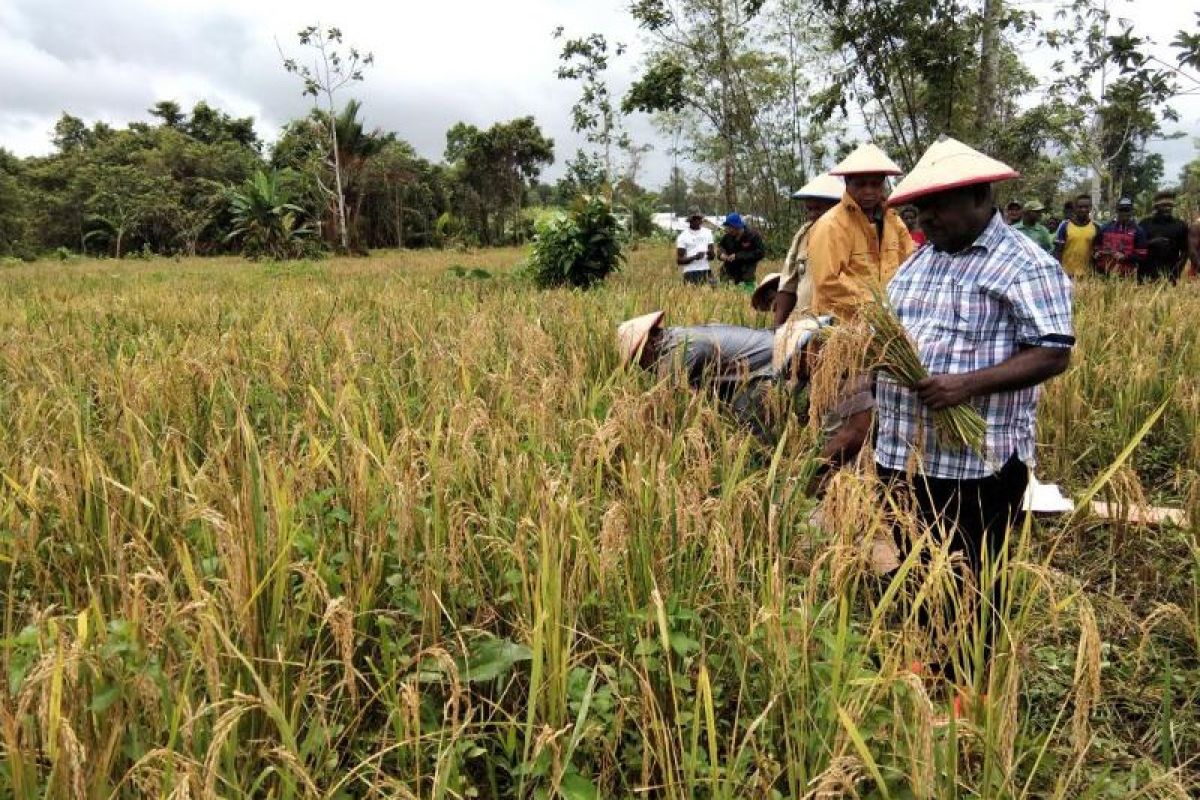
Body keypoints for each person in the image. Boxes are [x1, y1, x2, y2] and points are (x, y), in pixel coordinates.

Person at [877, 137, 1074, 688]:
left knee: (972, 575)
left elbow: (1053, 350)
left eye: (939, 205)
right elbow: (888, 341)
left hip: (976, 463)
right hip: (901, 451)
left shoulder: (1026, 266)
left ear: (982, 197)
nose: (926, 217)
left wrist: (967, 385)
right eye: (919, 207)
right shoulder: (918, 263)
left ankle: (968, 684)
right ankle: (927, 661)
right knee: (916, 563)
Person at [617, 311, 871, 457]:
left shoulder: (680, 346)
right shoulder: (681, 338)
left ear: (647, 345)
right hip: (762, 370)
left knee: (753, 440)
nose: (643, 368)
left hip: (769, 368)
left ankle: (773, 469)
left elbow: (666, 402)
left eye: (639, 361)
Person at [807, 143, 915, 322]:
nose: (869, 191)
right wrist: (875, 304)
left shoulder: (894, 222)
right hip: (842, 327)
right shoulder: (831, 225)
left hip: (887, 323)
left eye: (875, 184)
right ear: (847, 183)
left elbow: (909, 264)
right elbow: (828, 281)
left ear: (883, 184)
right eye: (861, 184)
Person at [773, 173, 844, 325]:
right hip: (804, 323)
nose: (812, 214)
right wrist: (778, 329)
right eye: (809, 209)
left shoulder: (853, 234)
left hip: (840, 326)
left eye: (818, 209)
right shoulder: (803, 234)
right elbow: (788, 284)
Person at [1139, 191, 1189, 282]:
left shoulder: (1180, 225)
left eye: (1170, 206)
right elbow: (1137, 247)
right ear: (1156, 207)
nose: (1167, 208)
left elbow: (1185, 251)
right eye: (1164, 206)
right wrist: (1151, 243)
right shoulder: (1144, 224)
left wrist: (1178, 270)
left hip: (1170, 274)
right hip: (1146, 274)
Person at [1095, 197, 1147, 277]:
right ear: (1117, 210)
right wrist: (1097, 253)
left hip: (1127, 275)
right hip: (1104, 273)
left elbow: (1142, 254)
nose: (1124, 213)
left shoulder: (1138, 231)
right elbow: (1096, 246)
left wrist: (1125, 257)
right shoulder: (1105, 228)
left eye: (1127, 210)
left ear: (1132, 211)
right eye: (1121, 210)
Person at [1053, 194, 1099, 278]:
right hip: (1066, 275)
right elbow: (1057, 251)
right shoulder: (1065, 226)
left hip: (1086, 275)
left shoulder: (1096, 227)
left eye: (1086, 207)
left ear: (1090, 208)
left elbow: (1096, 252)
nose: (1083, 209)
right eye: (1080, 207)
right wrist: (1057, 272)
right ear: (1075, 207)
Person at [717, 213, 766, 286]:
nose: (728, 230)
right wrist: (721, 254)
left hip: (746, 272)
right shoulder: (727, 236)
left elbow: (761, 253)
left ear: (737, 227)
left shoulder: (753, 236)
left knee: (746, 293)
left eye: (730, 227)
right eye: (727, 227)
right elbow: (720, 247)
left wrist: (738, 256)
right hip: (729, 271)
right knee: (725, 293)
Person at [675, 207, 716, 285]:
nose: (698, 221)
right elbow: (679, 260)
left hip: (706, 270)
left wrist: (710, 253)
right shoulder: (683, 236)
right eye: (695, 218)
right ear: (690, 220)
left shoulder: (708, 233)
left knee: (714, 294)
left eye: (699, 218)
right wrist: (695, 257)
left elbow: (712, 257)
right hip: (690, 272)